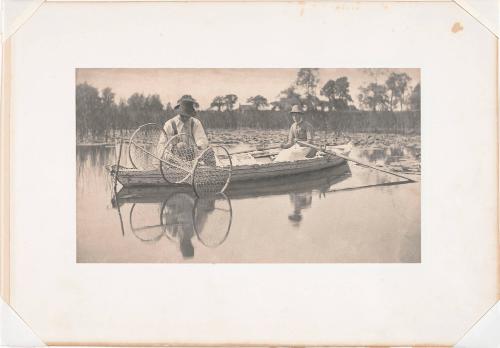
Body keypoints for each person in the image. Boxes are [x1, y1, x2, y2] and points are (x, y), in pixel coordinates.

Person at [157, 95, 209, 161]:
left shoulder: (195, 123)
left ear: (191, 115)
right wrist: (168, 157)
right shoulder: (169, 124)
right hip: (172, 157)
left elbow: (201, 139)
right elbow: (161, 145)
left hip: (192, 154)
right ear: (179, 113)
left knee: (209, 150)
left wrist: (198, 147)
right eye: (182, 116)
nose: (185, 118)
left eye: (187, 116)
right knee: (181, 145)